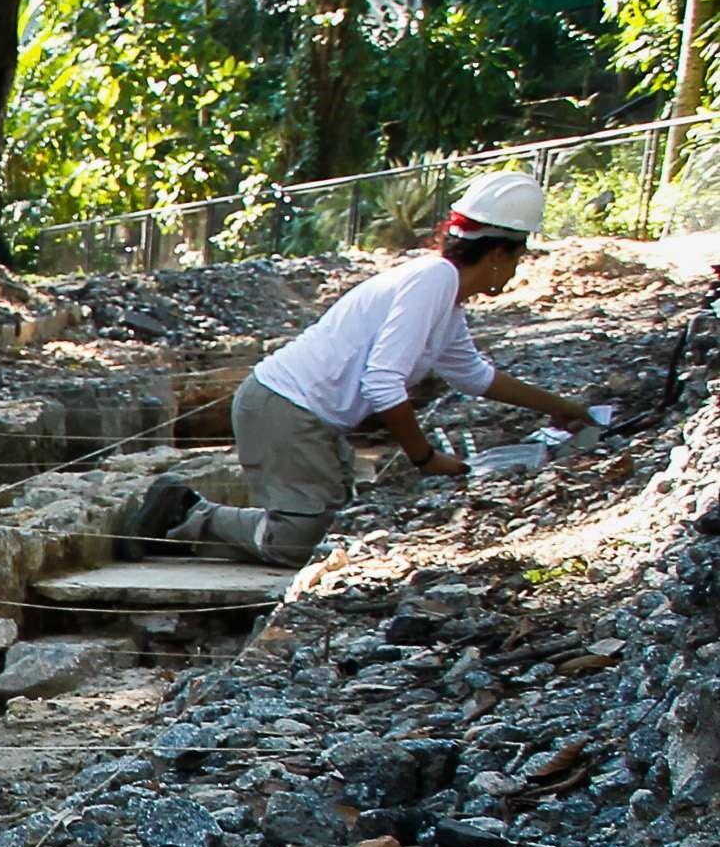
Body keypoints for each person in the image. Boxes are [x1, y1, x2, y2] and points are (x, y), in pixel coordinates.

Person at [130, 170, 606, 568]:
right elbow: (382, 382)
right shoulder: (434, 281)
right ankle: (186, 513)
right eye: (518, 258)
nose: (517, 270)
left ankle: (196, 515)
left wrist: (563, 408)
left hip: (307, 416)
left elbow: (475, 377)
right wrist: (424, 457)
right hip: (284, 408)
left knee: (337, 526)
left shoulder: (447, 301)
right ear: (499, 253)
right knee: (299, 543)